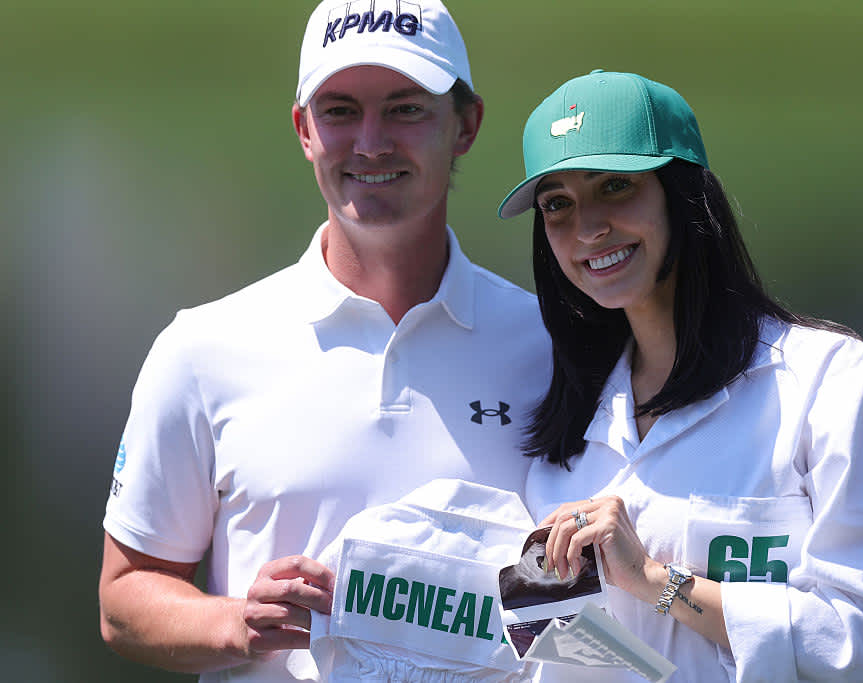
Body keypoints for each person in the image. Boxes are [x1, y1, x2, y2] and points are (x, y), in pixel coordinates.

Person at [98, 2, 549, 681]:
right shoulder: (203, 348)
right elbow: (125, 593)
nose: (370, 143)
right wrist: (235, 622)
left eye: (405, 109)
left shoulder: (554, 345)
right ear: (304, 128)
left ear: (466, 125)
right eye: (340, 111)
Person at [497, 69, 863, 682]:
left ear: (683, 195)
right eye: (557, 204)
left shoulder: (830, 384)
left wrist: (658, 582)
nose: (587, 228)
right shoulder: (562, 434)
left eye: (615, 187)